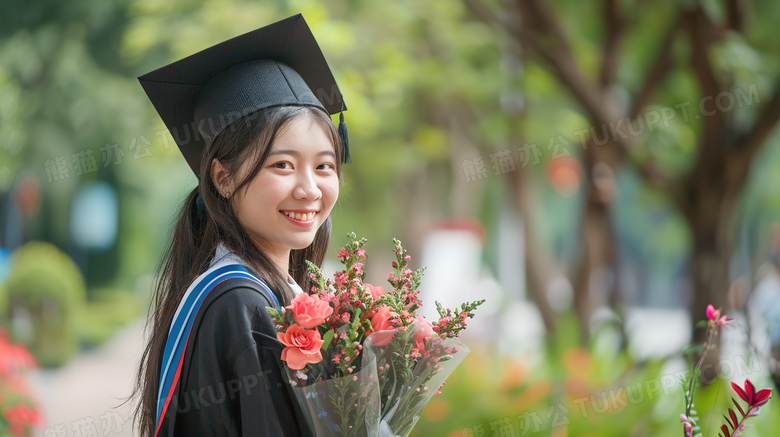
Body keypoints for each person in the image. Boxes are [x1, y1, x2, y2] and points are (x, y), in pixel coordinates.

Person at [124, 13, 350, 437]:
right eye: (282, 164)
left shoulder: (253, 292)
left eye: (324, 166)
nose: (309, 189)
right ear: (222, 177)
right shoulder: (239, 303)